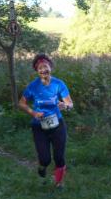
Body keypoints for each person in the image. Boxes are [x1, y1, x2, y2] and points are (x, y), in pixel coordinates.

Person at [18, 54, 74, 188]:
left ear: (51, 67)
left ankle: (59, 183)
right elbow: (21, 103)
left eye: (45, 67)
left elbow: (70, 103)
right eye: (40, 68)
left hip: (57, 124)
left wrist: (65, 106)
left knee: (59, 156)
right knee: (45, 159)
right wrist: (33, 113)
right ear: (37, 71)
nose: (43, 70)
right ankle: (42, 166)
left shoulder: (58, 84)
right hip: (39, 126)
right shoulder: (33, 86)